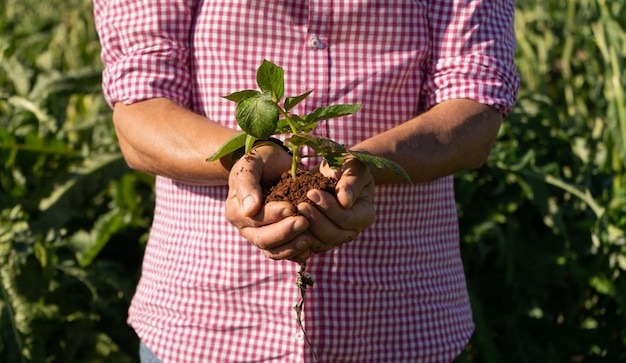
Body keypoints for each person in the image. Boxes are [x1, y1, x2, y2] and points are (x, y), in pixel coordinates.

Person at [94, 1, 519, 362]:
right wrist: (248, 160)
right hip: (206, 322)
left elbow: (474, 106)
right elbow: (139, 109)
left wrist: (361, 165)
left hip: (398, 315)